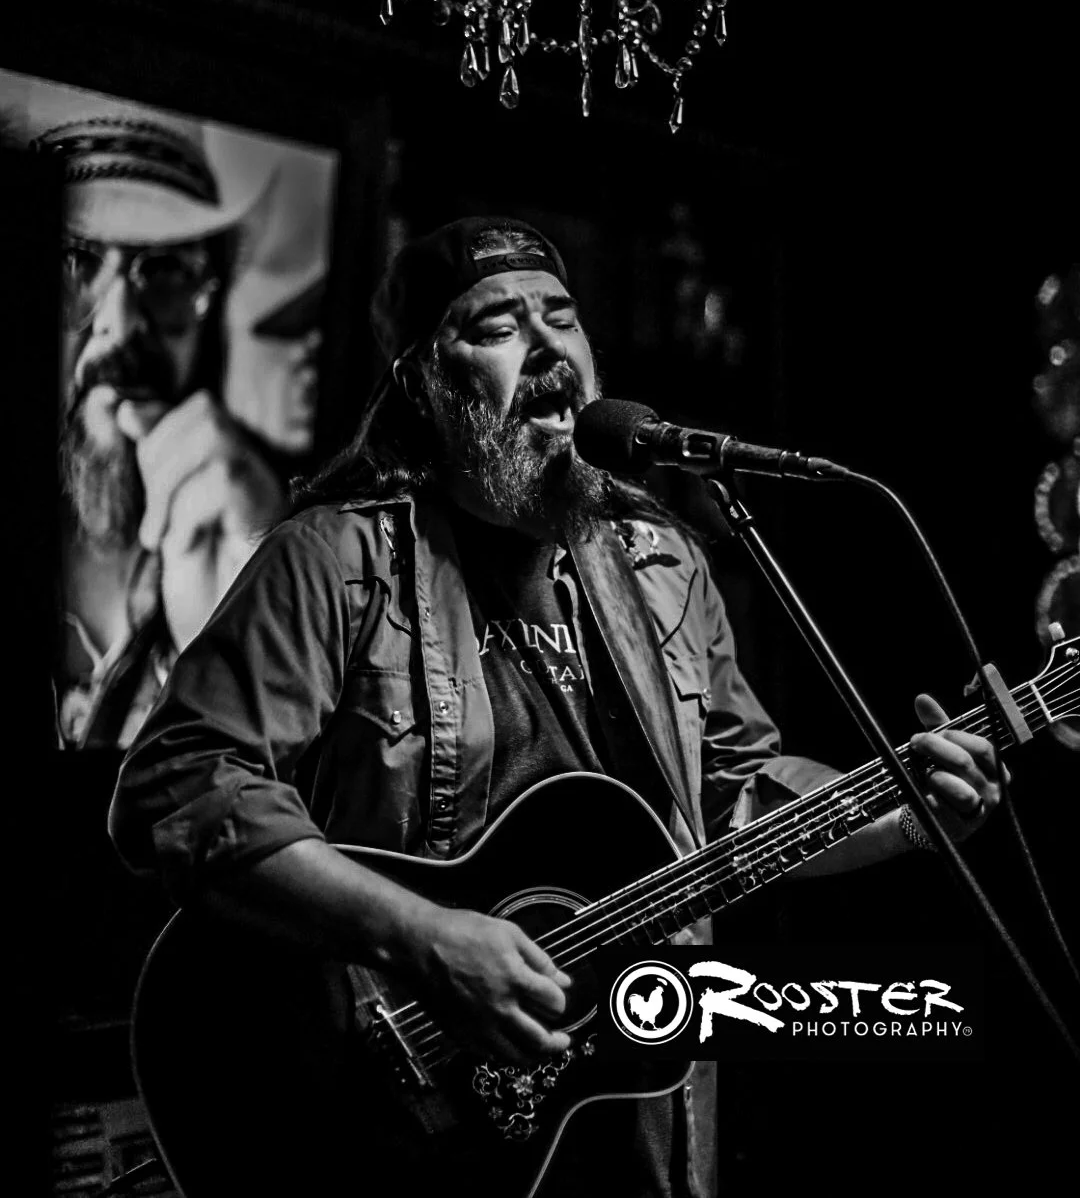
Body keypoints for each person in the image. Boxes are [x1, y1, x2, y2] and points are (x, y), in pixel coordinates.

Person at [109, 216, 1004, 1197]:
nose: (548, 353)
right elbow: (180, 787)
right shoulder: (337, 561)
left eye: (563, 319)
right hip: (373, 1118)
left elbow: (736, 794)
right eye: (497, 324)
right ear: (423, 382)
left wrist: (902, 813)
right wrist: (425, 937)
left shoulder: (660, 568)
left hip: (631, 1116)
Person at [20, 103, 289, 747]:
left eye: (165, 271)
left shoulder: (263, 529)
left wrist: (259, 628)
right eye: (75, 263)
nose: (121, 321)